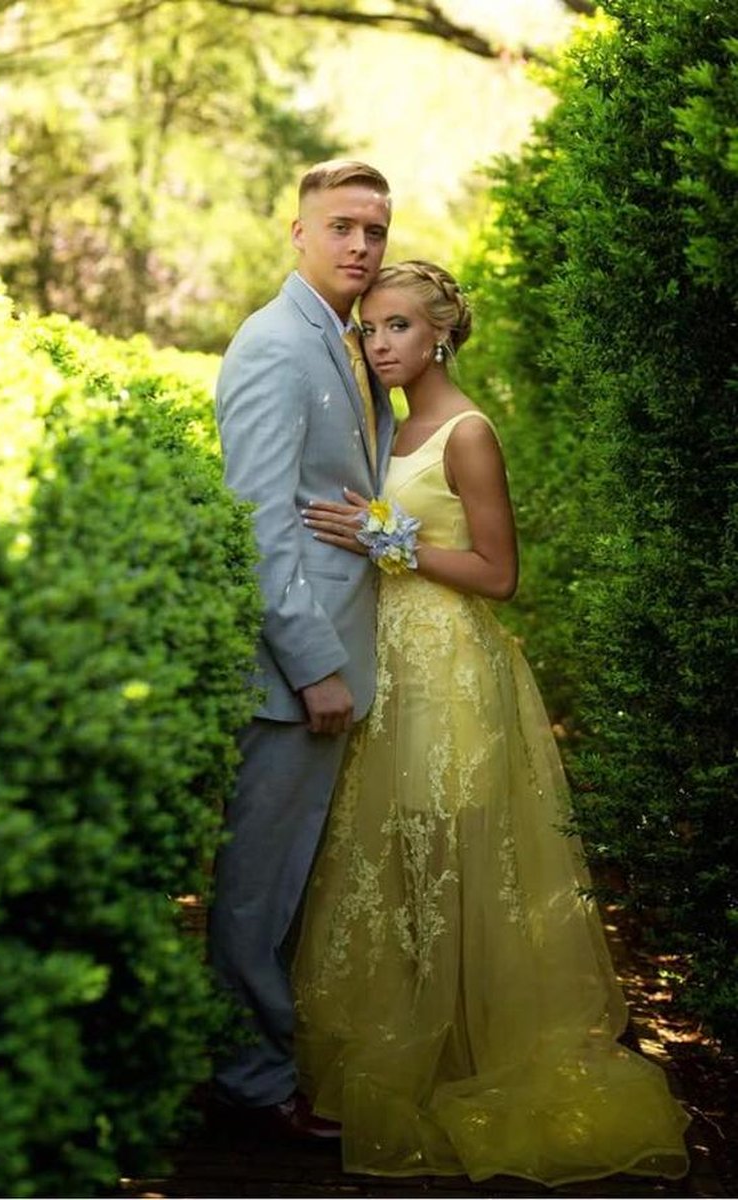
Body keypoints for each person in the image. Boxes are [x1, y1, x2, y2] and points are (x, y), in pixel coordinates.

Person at [291, 260, 691, 1184]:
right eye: (369, 329)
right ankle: (403, 1047)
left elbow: (500, 575)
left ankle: (472, 1054)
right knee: (388, 857)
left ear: (442, 333)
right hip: (387, 663)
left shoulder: (467, 434)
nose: (379, 344)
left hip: (450, 671)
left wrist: (388, 539)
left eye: (398, 326)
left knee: (453, 850)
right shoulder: (386, 426)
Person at [208, 160, 395, 1139]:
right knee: (259, 889)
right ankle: (250, 1084)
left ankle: (269, 1061)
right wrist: (314, 664)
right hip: (293, 674)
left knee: (295, 884)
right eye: (341, 226)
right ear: (298, 231)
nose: (360, 245)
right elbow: (259, 521)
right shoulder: (277, 344)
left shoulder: (350, 343)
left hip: (343, 657)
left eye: (375, 229)